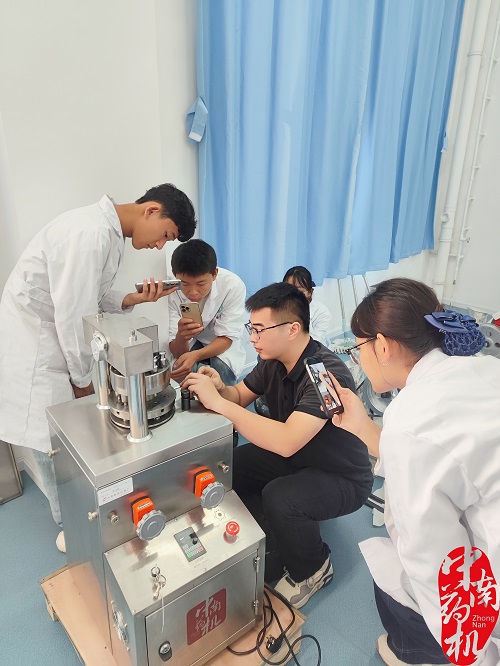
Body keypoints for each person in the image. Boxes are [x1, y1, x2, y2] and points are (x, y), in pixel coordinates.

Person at [0, 183, 197, 552]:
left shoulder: (106, 233)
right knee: (54, 443)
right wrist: (82, 381)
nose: (159, 245)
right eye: (165, 235)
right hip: (36, 348)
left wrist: (134, 298)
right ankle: (72, 528)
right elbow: (73, 314)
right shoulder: (89, 233)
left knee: (65, 439)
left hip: (50, 341)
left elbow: (93, 296)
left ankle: (81, 519)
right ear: (152, 210)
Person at [320, 278, 500, 666]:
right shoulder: (484, 368)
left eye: (357, 349)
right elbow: (440, 456)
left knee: (396, 571)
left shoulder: (410, 419)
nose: (358, 359)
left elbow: (435, 562)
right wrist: (362, 427)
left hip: (490, 571)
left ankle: (412, 650)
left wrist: (476, 656)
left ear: (382, 346)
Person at [182, 282, 373, 609]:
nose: (252, 338)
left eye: (259, 330)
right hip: (302, 457)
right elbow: (239, 396)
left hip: (342, 476)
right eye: (251, 329)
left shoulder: (326, 374)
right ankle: (275, 532)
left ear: (292, 329)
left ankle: (313, 569)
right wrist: (221, 388)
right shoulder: (272, 360)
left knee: (280, 497)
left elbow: (285, 442)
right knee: (235, 465)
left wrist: (219, 403)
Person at [168, 239, 246, 386]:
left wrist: (196, 355)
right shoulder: (171, 290)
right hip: (193, 341)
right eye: (185, 284)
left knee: (222, 371)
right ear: (175, 275)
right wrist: (181, 336)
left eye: (201, 284)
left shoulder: (232, 286)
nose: (193, 292)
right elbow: (176, 350)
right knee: (179, 369)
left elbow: (227, 337)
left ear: (215, 274)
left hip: (221, 340)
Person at [283, 266, 332, 345]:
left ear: (310, 292)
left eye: (299, 291)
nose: (293, 295)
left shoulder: (322, 312)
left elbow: (316, 342)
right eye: (289, 289)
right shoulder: (279, 308)